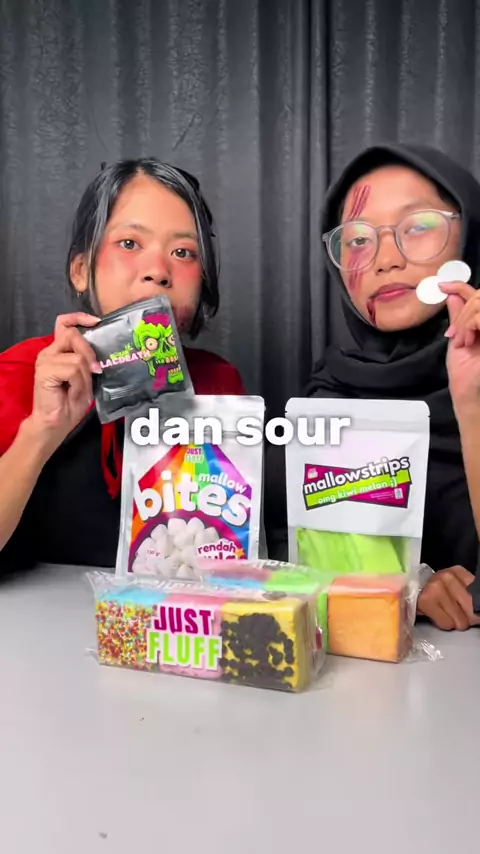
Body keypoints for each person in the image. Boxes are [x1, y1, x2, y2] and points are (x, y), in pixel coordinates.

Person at [265, 142, 480, 631]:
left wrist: (472, 404)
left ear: (471, 237)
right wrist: (405, 586)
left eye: (418, 227)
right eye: (358, 239)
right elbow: (281, 555)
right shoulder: (327, 395)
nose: (384, 260)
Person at [0, 158, 244, 574]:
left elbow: (229, 545)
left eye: (183, 252)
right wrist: (42, 429)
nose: (158, 272)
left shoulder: (219, 385)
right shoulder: (19, 373)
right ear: (81, 270)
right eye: (130, 243)